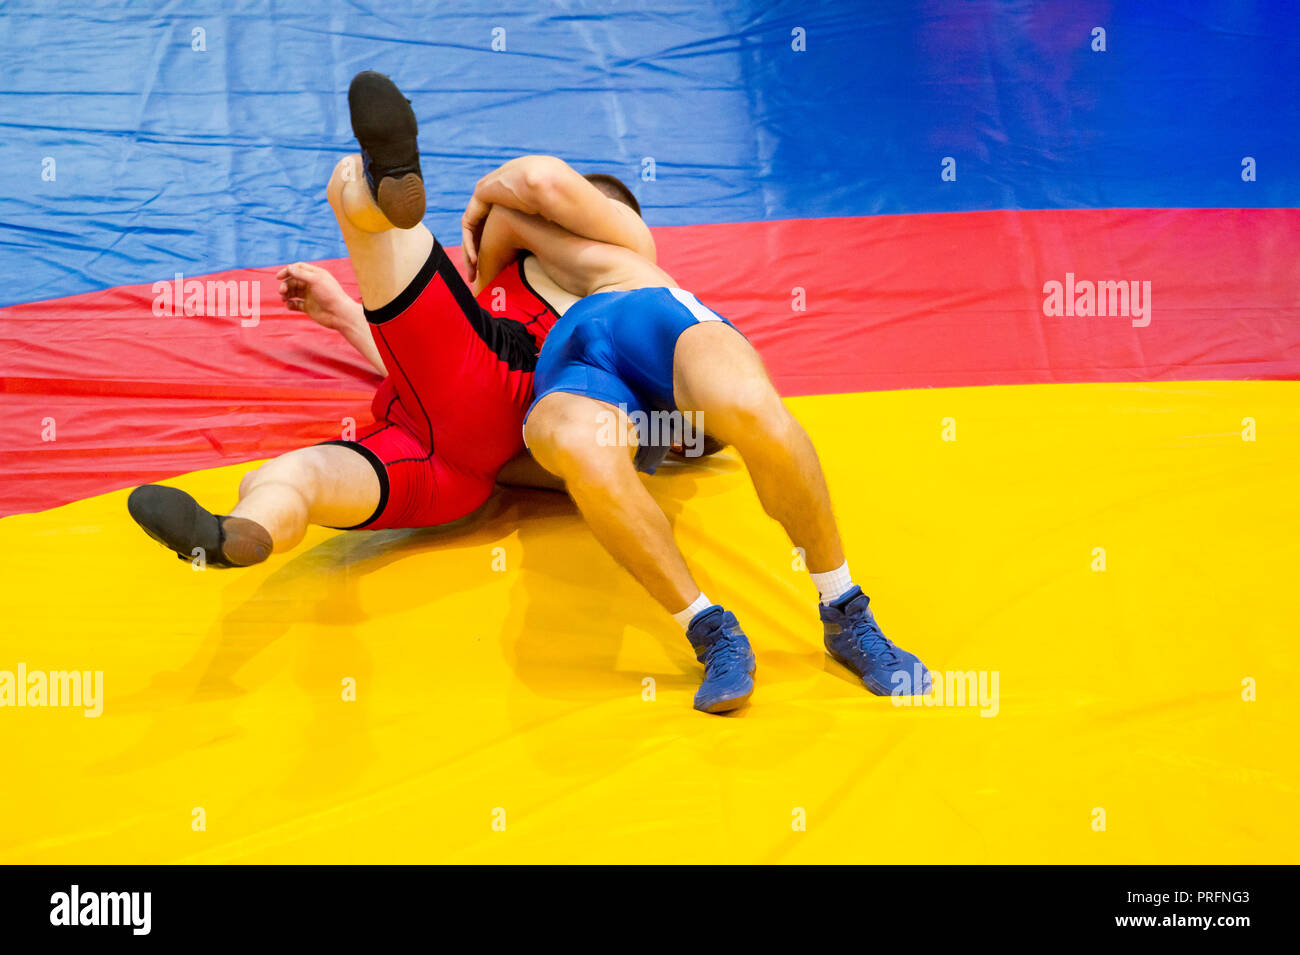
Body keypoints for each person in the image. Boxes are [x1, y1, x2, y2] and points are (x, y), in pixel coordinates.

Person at [127, 72, 647, 565]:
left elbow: (540, 181)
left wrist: (485, 201)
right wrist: (344, 316)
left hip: (502, 385)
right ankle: (236, 532)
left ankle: (382, 190)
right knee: (292, 478)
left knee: (349, 183)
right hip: (455, 462)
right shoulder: (532, 281)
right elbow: (437, 375)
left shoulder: (629, 260)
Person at [455, 198, 934, 714]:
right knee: (582, 451)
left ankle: (846, 611)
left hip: (647, 329)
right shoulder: (525, 292)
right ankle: (709, 631)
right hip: (576, 381)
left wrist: (479, 262)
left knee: (752, 408)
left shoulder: (618, 260)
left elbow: (517, 201)